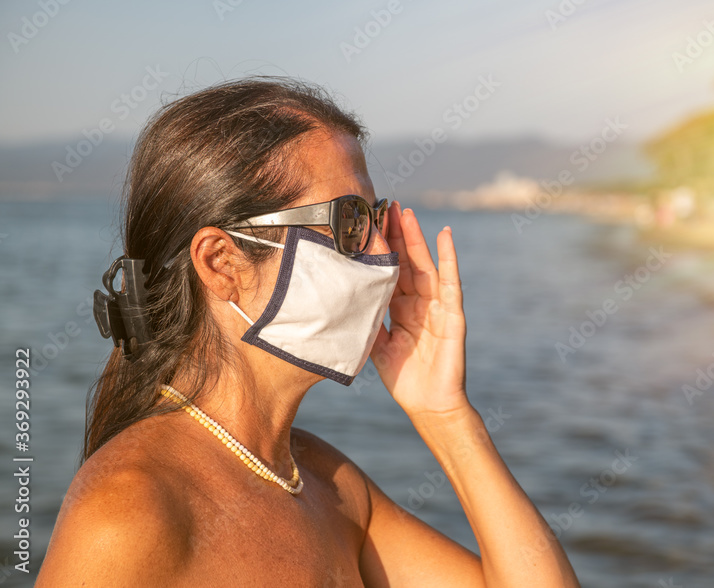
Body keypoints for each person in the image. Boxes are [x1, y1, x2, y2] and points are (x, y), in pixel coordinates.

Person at [36, 78, 580, 587]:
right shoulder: (129, 510)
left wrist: (445, 414)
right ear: (223, 263)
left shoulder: (328, 483)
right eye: (350, 223)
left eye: (377, 218)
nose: (385, 254)